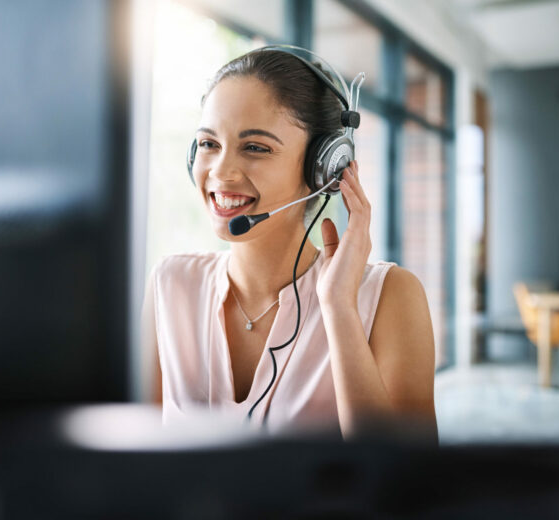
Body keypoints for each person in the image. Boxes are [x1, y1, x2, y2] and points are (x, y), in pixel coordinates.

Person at [142, 47, 437, 442]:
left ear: (324, 168)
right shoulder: (170, 285)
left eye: (255, 147)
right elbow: (133, 465)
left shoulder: (391, 297)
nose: (221, 172)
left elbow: (408, 486)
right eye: (209, 143)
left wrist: (338, 310)